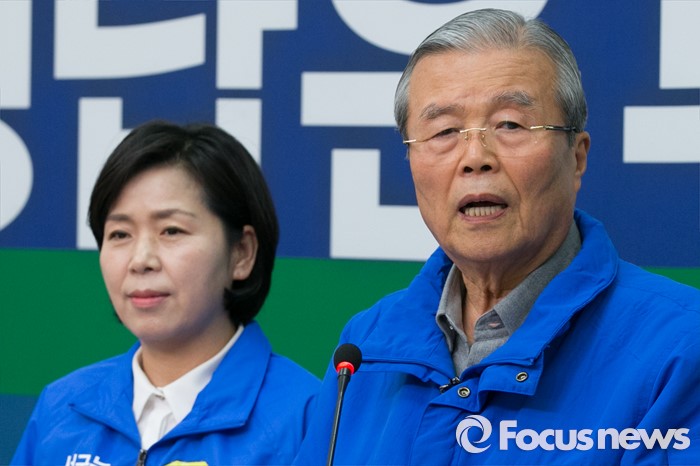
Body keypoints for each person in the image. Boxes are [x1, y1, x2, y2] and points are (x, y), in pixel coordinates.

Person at [294, 8, 700, 465]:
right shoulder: (366, 346)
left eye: (510, 124)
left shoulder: (679, 349)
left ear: (577, 157)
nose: (475, 157)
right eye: (444, 131)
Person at [12, 121, 319, 465]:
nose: (140, 260)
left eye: (171, 230)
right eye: (120, 234)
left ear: (242, 253)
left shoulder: (310, 419)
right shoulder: (61, 409)